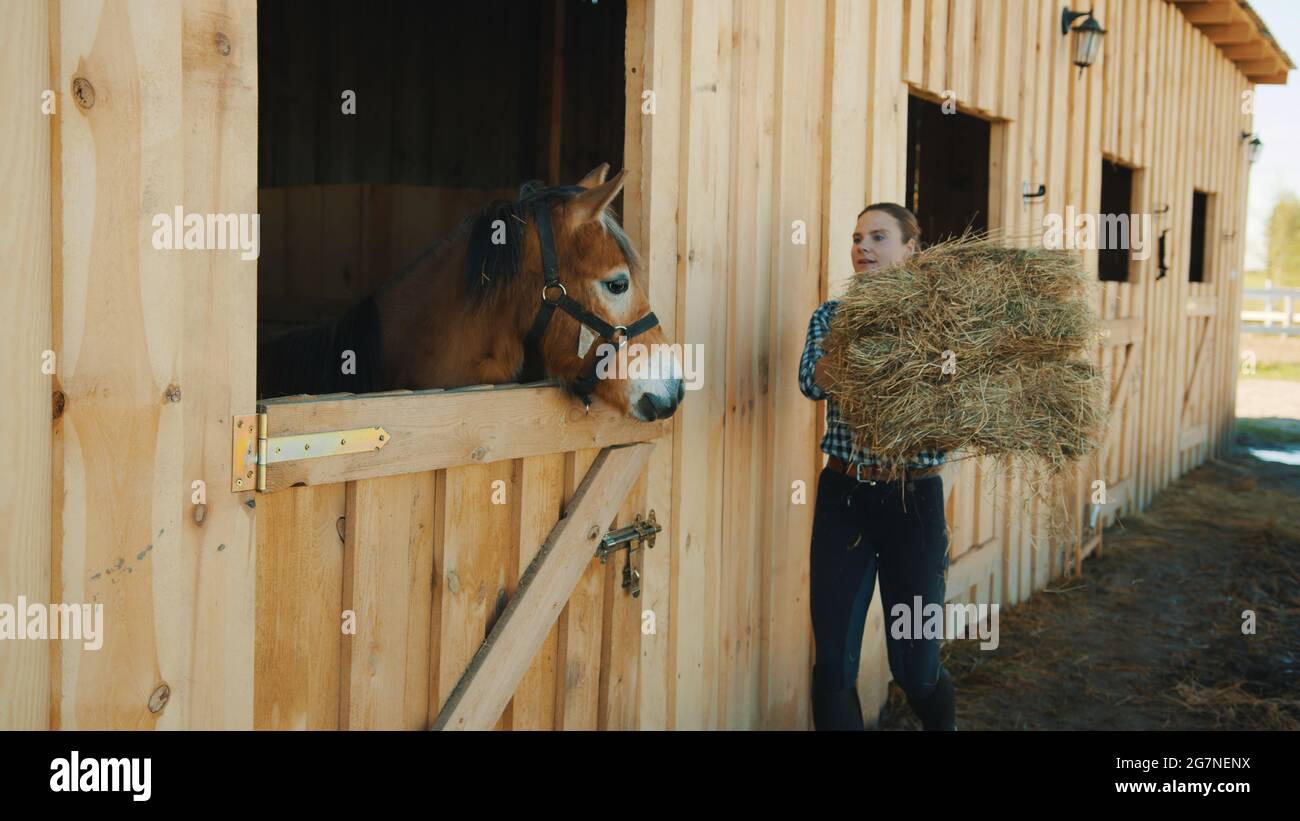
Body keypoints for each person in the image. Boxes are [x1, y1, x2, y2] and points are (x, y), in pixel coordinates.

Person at [798, 202, 957, 731]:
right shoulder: (831, 315)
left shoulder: (944, 320)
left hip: (914, 504)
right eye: (857, 236)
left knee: (916, 668)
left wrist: (869, 371)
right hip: (844, 496)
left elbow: (953, 404)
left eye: (878, 237)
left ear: (912, 249)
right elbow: (813, 380)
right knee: (833, 664)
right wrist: (882, 366)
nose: (862, 246)